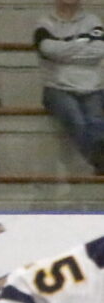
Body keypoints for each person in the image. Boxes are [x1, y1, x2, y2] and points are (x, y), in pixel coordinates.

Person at [34, 0, 104, 173]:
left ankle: (100, 163)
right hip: (57, 87)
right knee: (76, 120)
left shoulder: (93, 21)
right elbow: (47, 49)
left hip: (92, 86)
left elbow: (99, 50)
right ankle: (100, 163)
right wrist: (81, 46)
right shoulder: (44, 24)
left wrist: (63, 51)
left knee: (96, 123)